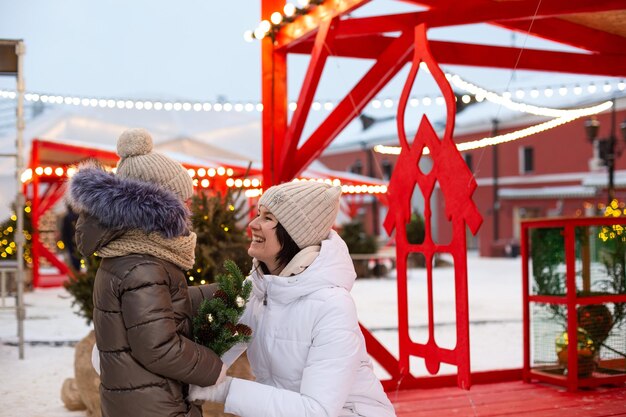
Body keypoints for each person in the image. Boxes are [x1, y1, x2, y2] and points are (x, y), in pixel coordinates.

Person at [189, 181, 396, 417]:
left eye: (268, 218)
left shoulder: (332, 305)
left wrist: (221, 391)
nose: (253, 224)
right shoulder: (257, 288)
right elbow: (216, 351)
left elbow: (316, 411)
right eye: (258, 214)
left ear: (293, 234)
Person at [68, 128, 225, 417]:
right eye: (184, 200)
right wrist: (214, 367)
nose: (190, 207)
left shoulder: (132, 253)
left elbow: (155, 308)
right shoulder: (143, 263)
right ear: (160, 206)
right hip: (154, 404)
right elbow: (158, 347)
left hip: (139, 399)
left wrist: (217, 293)